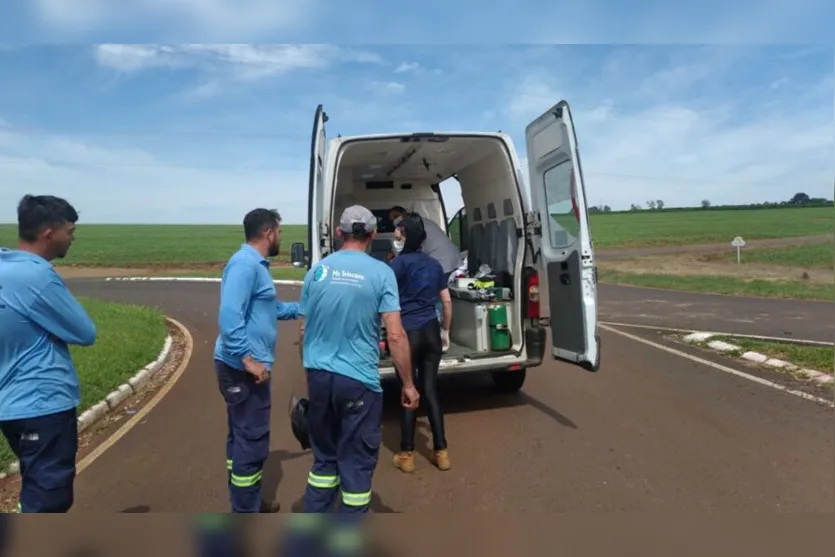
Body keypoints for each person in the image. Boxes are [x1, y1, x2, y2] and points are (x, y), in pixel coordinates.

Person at [298, 205, 419, 514]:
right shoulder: (381, 273)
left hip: (319, 376)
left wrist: (313, 373)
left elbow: (305, 329)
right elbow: (395, 336)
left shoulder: (317, 271)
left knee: (324, 461)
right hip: (358, 382)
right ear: (374, 234)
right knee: (355, 464)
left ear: (339, 233)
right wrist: (408, 384)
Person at [0, 194, 97, 513]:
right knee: (49, 499)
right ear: (48, 233)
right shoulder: (37, 276)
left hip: (10, 404)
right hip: (43, 402)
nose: (72, 238)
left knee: (35, 485)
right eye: (69, 231)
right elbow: (85, 332)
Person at [213, 208, 301, 513]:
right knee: (251, 440)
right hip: (243, 370)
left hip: (244, 367)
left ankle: (247, 499)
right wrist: (248, 360)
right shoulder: (245, 265)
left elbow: (268, 308)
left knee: (241, 439)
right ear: (268, 233)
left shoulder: (256, 266)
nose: (281, 237)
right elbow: (229, 315)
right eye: (280, 231)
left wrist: (303, 308)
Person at [388, 214, 453, 473]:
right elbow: (446, 302)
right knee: (431, 390)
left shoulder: (398, 266)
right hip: (431, 331)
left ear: (405, 236)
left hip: (408, 333)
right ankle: (441, 452)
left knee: (408, 389)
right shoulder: (434, 265)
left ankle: (407, 453)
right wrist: (445, 330)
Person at [389, 205, 460, 284]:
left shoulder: (415, 226)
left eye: (396, 216)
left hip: (442, 260)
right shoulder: (420, 222)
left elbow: (409, 247)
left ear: (404, 213)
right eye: (392, 219)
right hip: (446, 258)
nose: (395, 220)